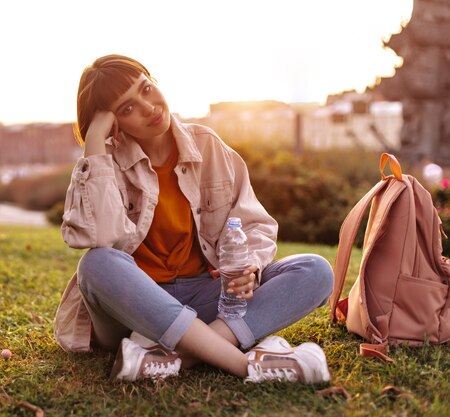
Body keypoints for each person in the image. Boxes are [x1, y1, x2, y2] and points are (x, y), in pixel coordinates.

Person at [54, 54, 334, 383]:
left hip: (206, 296)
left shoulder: (209, 147)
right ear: (114, 123)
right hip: (135, 307)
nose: (148, 107)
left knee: (314, 270)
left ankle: (171, 358)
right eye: (127, 108)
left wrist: (250, 267)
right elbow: (101, 239)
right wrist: (95, 143)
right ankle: (245, 366)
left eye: (145, 89)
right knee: (95, 264)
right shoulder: (105, 162)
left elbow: (255, 224)